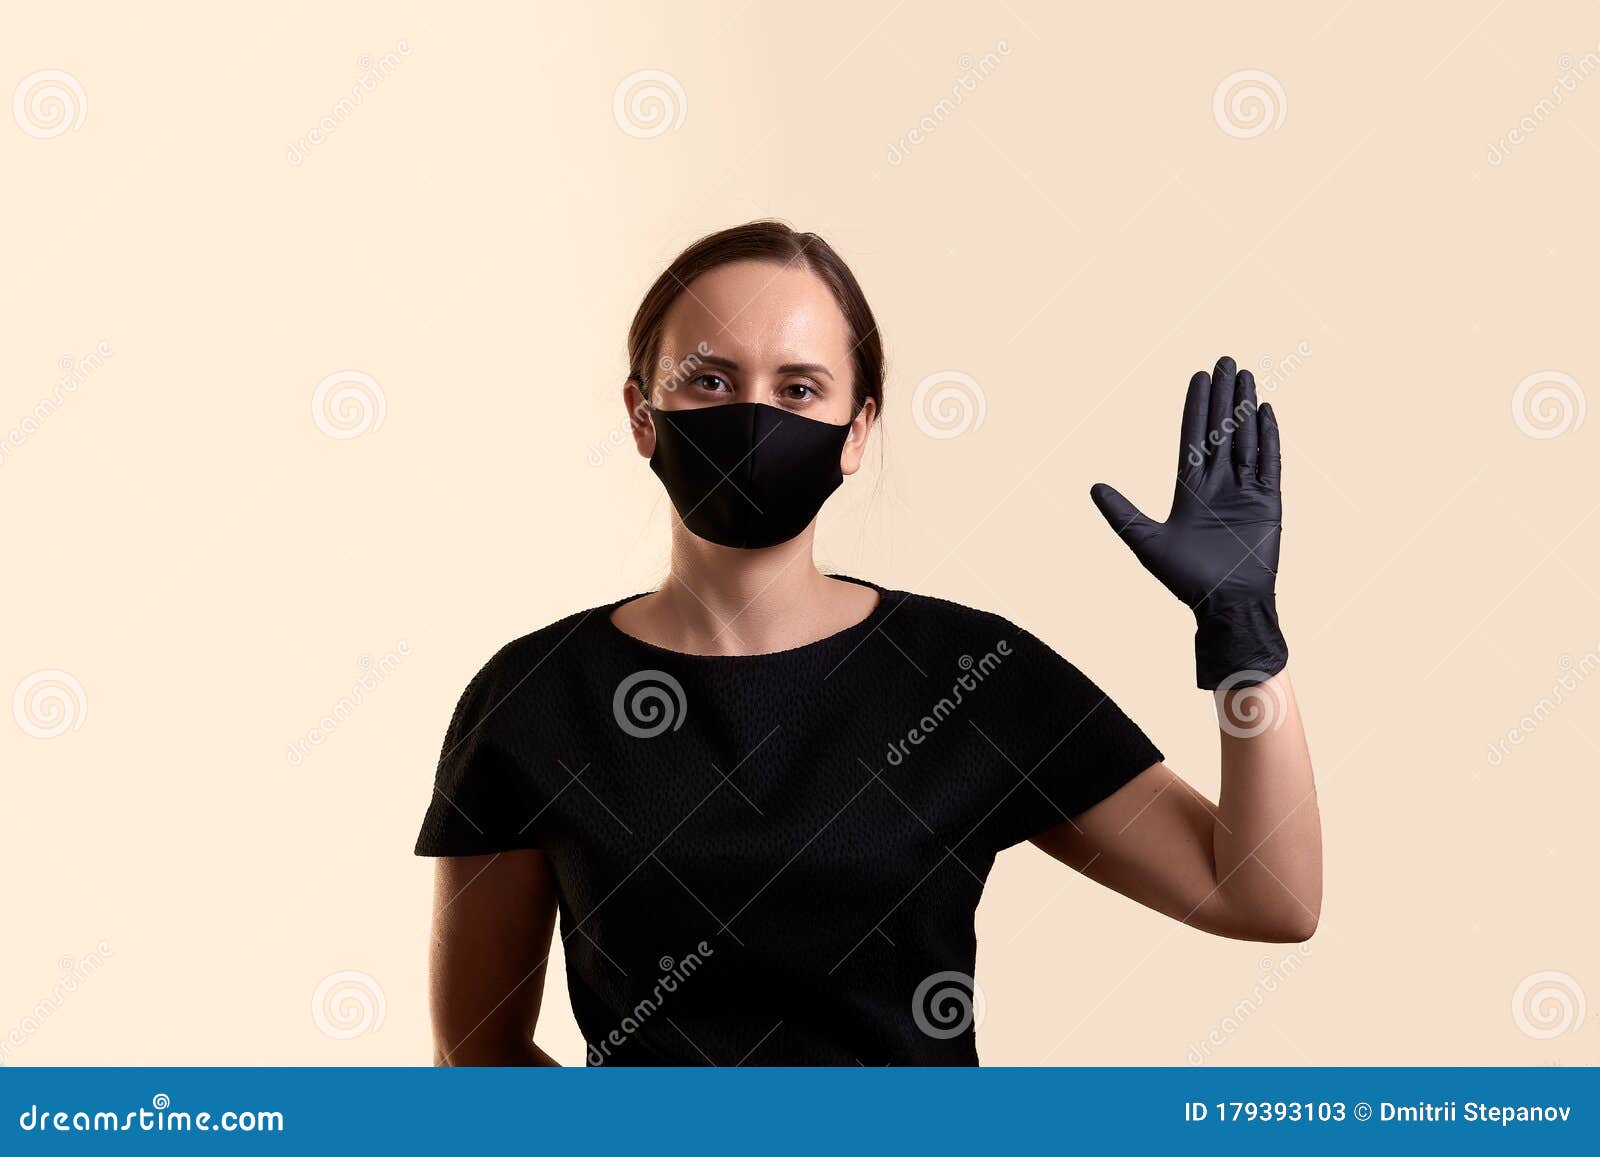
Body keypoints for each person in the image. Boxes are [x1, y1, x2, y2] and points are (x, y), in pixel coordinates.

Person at [416, 221, 1320, 1066]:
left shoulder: (969, 676)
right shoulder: (532, 695)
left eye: (798, 387)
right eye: (709, 379)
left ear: (856, 432)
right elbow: (478, 1059)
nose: (754, 414)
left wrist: (1242, 634)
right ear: (642, 413)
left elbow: (1264, 895)